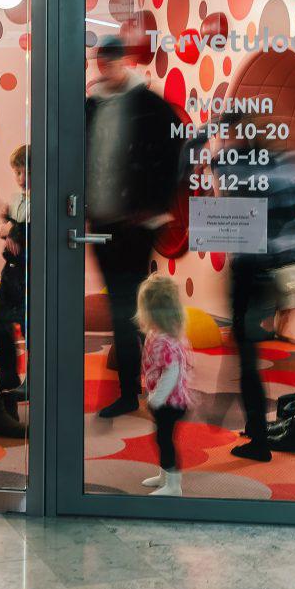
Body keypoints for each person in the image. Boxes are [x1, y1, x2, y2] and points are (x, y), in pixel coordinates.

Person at [85, 35, 183, 417]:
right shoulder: (91, 106)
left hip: (134, 225)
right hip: (102, 223)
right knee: (124, 308)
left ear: (123, 62)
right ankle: (138, 385)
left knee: (128, 307)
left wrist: (153, 207)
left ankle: (140, 387)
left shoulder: (149, 105)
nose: (106, 70)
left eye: (111, 62)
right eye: (101, 63)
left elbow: (175, 154)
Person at [227, 134, 295, 461]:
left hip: (253, 268)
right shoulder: (284, 162)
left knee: (246, 355)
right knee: (246, 351)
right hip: (270, 269)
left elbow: (239, 214)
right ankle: (256, 429)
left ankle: (258, 439)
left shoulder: (240, 165)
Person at [137, 275, 192, 496]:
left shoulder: (164, 340)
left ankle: (174, 485)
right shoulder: (157, 334)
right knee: (162, 438)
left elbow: (172, 372)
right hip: (166, 398)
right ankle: (164, 476)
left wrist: (156, 399)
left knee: (164, 439)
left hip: (170, 402)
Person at [0, 145, 29, 400]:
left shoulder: (41, 198)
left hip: (28, 270)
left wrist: (13, 230)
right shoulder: (16, 199)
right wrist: (7, 227)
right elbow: (2, 223)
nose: (21, 178)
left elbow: (35, 229)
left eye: (25, 172)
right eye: (17, 172)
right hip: (11, 269)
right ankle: (8, 373)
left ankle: (33, 380)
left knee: (29, 326)